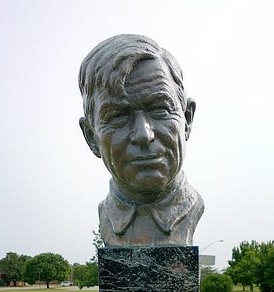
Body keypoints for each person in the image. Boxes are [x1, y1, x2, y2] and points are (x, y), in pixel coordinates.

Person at [79, 34, 204, 246]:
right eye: (118, 116)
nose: (144, 135)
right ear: (91, 137)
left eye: (160, 109)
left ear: (187, 119)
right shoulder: (105, 215)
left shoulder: (193, 207)